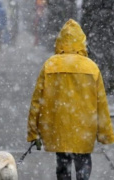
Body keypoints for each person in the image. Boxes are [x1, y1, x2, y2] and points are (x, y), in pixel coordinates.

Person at [27, 19, 114, 180]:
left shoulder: (50, 65)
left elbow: (36, 102)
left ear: (59, 42)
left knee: (63, 164)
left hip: (59, 128)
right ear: (82, 42)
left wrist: (34, 132)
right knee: (83, 163)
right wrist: (105, 134)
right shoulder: (91, 67)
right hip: (84, 129)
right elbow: (101, 103)